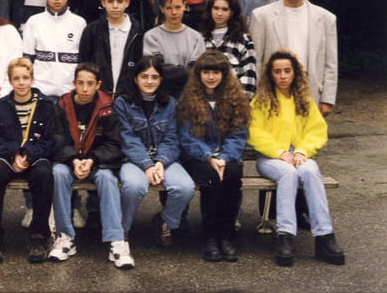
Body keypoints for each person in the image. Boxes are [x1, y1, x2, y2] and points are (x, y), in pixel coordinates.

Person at [248, 51, 345, 266]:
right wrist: (279, 152)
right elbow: (254, 132)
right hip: (271, 158)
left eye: (287, 71)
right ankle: (286, 236)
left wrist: (302, 151)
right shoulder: (261, 102)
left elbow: (317, 131)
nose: (282, 76)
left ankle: (325, 236)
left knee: (311, 171)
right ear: (271, 74)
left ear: (295, 73)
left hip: (299, 155)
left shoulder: (305, 101)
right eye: (277, 72)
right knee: (288, 172)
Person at [48, 63, 132, 270]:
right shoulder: (62, 105)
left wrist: (92, 159)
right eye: (80, 83)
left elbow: (114, 144)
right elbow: (57, 140)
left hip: (98, 162)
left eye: (90, 84)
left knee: (107, 178)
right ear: (74, 83)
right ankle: (65, 236)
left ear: (98, 85)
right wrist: (74, 160)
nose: (85, 89)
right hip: (70, 161)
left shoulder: (108, 107)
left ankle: (116, 241)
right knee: (58, 173)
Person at [115, 56, 194, 250]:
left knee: (185, 187)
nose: (149, 81)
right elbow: (127, 139)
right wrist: (147, 165)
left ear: (161, 80)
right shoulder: (122, 103)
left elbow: (172, 138)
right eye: (144, 76)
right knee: (134, 186)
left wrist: (160, 162)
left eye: (154, 77)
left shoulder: (171, 104)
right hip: (133, 159)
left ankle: (165, 221)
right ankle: (123, 228)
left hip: (163, 159)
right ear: (136, 78)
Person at [0, 58, 55, 264]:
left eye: (25, 78)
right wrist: (14, 153)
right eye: (16, 78)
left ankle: (39, 237)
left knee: (44, 174)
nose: (21, 83)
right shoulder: (1, 105)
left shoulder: (46, 105)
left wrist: (28, 154)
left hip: (35, 156)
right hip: (8, 156)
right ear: (10, 80)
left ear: (32, 79)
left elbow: (50, 140)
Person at [178, 50, 250, 262]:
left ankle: (225, 236)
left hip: (226, 156)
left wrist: (224, 157)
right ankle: (209, 237)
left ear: (224, 74)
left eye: (216, 72)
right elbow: (186, 136)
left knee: (232, 176)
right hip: (197, 156)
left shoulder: (235, 98)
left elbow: (238, 134)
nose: (211, 77)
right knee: (211, 178)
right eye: (206, 72)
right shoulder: (188, 99)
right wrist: (209, 157)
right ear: (198, 74)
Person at [250, 0, 337, 115]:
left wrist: (327, 100)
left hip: (311, 94)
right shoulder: (261, 16)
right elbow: (255, 61)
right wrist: (256, 96)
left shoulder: (326, 18)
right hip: (272, 96)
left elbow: (331, 63)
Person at [22, 0, 86, 98]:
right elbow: (27, 61)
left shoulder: (79, 23)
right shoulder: (34, 22)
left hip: (70, 93)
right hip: (41, 92)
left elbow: (83, 62)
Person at [79, 0, 144, 99]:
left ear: (127, 2)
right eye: (110, 1)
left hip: (128, 98)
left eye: (119, 1)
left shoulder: (138, 32)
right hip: (98, 98)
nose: (115, 6)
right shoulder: (92, 31)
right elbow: (83, 64)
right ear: (103, 2)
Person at [143, 0, 205, 97]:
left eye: (178, 7)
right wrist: (183, 71)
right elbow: (156, 70)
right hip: (161, 97)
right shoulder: (151, 37)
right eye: (169, 8)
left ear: (185, 6)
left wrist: (171, 71)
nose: (174, 12)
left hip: (189, 96)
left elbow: (197, 71)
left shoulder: (196, 37)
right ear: (162, 9)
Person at [199, 0, 257, 99]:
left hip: (233, 101)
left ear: (232, 12)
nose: (219, 13)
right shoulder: (200, 38)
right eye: (216, 8)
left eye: (224, 9)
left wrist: (236, 102)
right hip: (203, 102)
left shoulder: (243, 39)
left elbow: (249, 77)